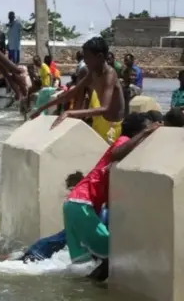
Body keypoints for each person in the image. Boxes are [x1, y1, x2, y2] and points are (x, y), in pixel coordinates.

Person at [64, 112, 158, 281]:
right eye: (147, 129)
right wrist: (145, 133)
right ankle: (87, 289)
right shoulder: (122, 141)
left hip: (78, 203)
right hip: (82, 202)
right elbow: (116, 155)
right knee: (115, 252)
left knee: (99, 259)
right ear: (137, 131)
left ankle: (83, 288)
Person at [32, 37, 125, 137]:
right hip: (100, 120)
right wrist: (41, 108)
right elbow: (69, 95)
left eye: (87, 57)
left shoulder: (110, 75)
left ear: (100, 56)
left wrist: (70, 113)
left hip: (112, 126)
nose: (85, 61)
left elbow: (105, 108)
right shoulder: (93, 73)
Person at [14, 171, 108, 263]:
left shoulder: (83, 203)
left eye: (72, 190)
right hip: (41, 249)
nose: (71, 194)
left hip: (41, 248)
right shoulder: (85, 205)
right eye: (71, 190)